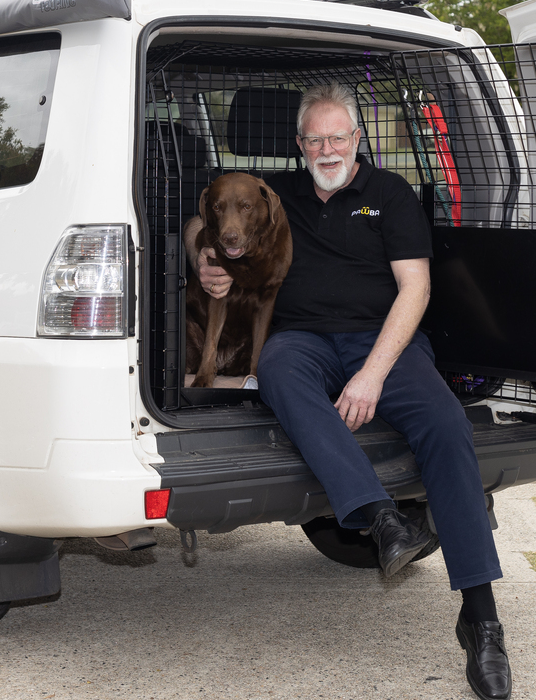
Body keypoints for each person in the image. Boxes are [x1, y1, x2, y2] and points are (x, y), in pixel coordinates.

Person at [192, 82, 512, 700]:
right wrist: (203, 257)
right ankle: (381, 518)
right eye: (315, 139)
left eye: (338, 137)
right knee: (278, 372)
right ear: (300, 144)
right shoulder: (273, 194)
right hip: (303, 340)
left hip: (382, 341)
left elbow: (415, 290)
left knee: (448, 428)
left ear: (357, 139)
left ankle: (481, 618)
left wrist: (372, 374)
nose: (328, 149)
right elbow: (203, 220)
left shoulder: (390, 194)